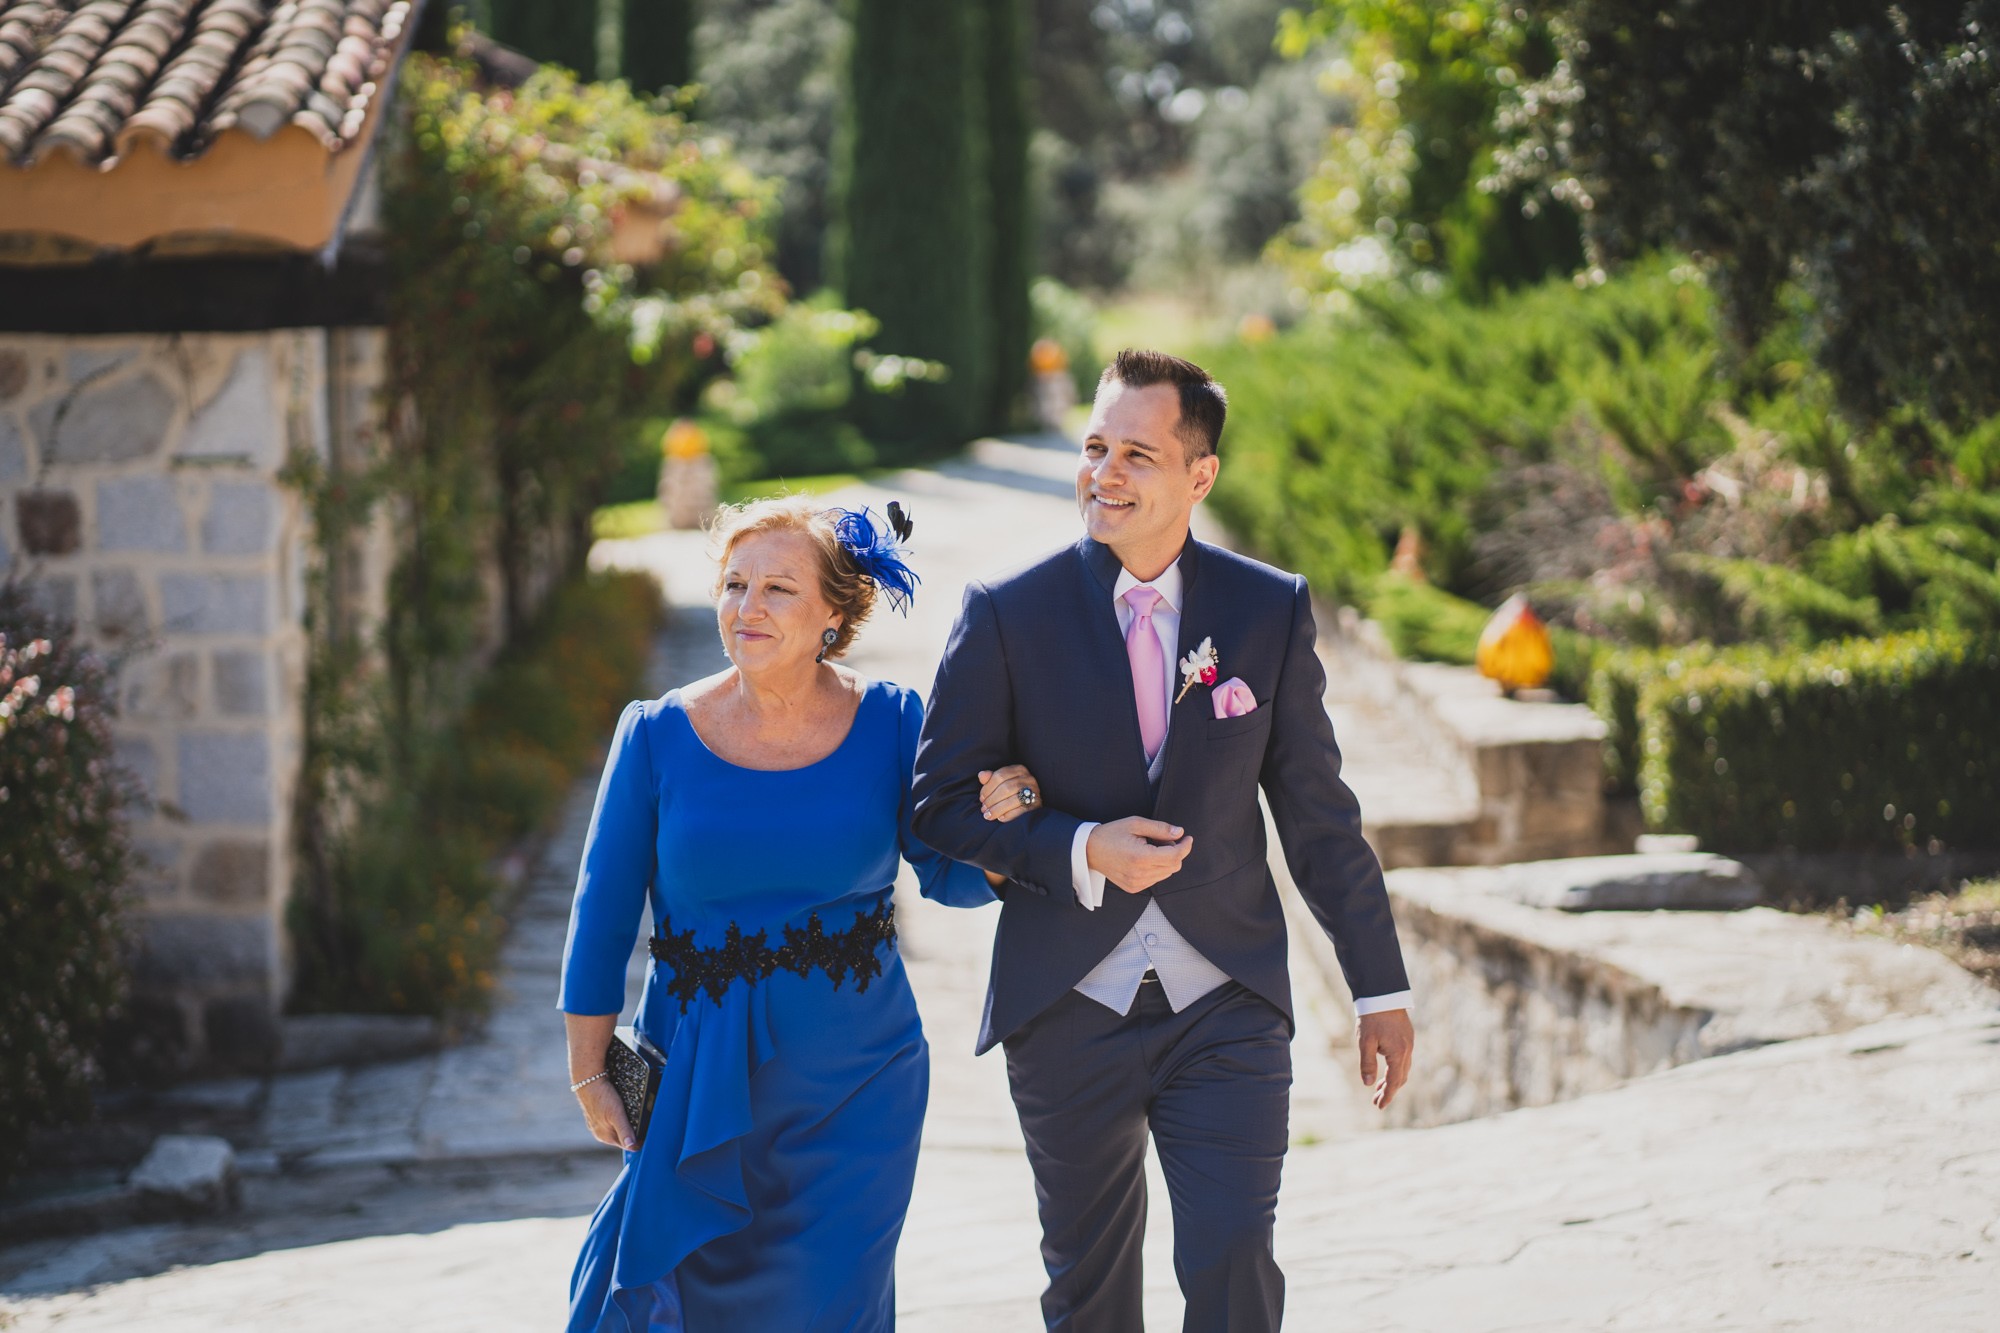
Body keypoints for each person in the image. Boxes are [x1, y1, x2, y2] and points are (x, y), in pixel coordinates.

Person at [910, 349, 1418, 1332]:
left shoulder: (1266, 611)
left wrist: (1378, 986)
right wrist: (1076, 845)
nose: (1103, 471)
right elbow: (933, 806)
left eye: (1136, 452)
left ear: (1199, 475)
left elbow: (1317, 813)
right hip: (1065, 1002)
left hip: (1222, 1000)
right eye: (1094, 445)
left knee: (1233, 1263)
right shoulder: (1007, 614)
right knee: (1088, 1293)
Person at [557, 495, 1016, 1331]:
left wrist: (1009, 830)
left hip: (857, 1083)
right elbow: (602, 914)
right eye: (735, 584)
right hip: (693, 1079)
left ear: (833, 616)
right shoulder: (656, 734)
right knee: (679, 1298)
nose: (748, 607)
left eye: (778, 589)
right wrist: (591, 1071)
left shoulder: (894, 722)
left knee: (821, 1303)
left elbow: (946, 872)